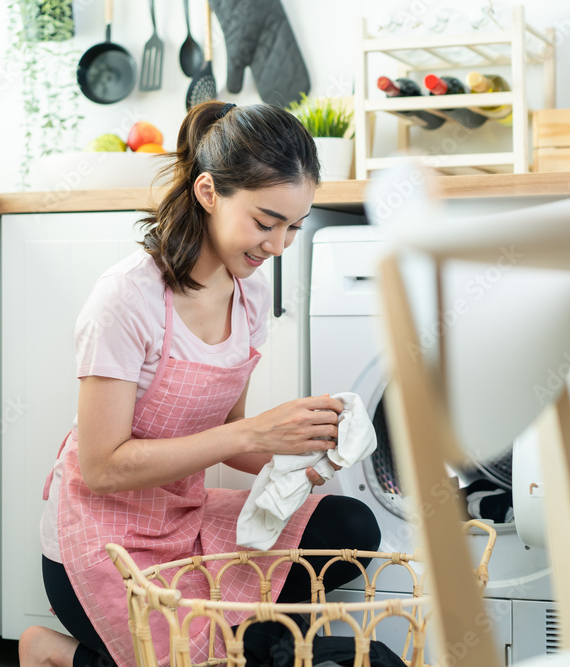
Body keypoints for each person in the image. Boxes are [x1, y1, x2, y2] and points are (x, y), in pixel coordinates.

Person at [19, 100, 381, 667]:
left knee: (349, 525)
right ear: (209, 193)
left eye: (293, 226)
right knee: (208, 655)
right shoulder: (127, 299)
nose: (278, 246)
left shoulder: (251, 293)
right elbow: (102, 468)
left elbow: (229, 431)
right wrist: (252, 435)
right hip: (101, 541)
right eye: (265, 222)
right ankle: (52, 652)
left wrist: (297, 456)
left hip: (183, 520)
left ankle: (229, 646)